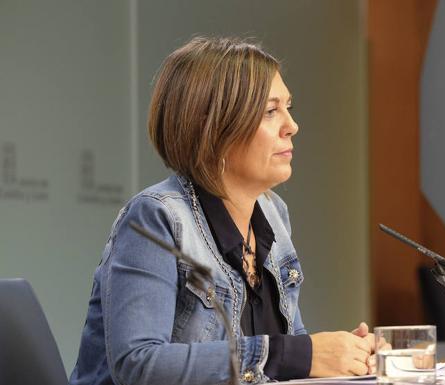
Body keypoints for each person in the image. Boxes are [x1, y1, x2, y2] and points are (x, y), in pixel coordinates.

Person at [69, 36, 376, 385]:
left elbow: (285, 357)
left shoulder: (272, 213)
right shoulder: (156, 218)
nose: (292, 126)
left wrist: (340, 355)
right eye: (271, 111)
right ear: (214, 126)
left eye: (289, 107)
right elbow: (139, 365)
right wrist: (295, 354)